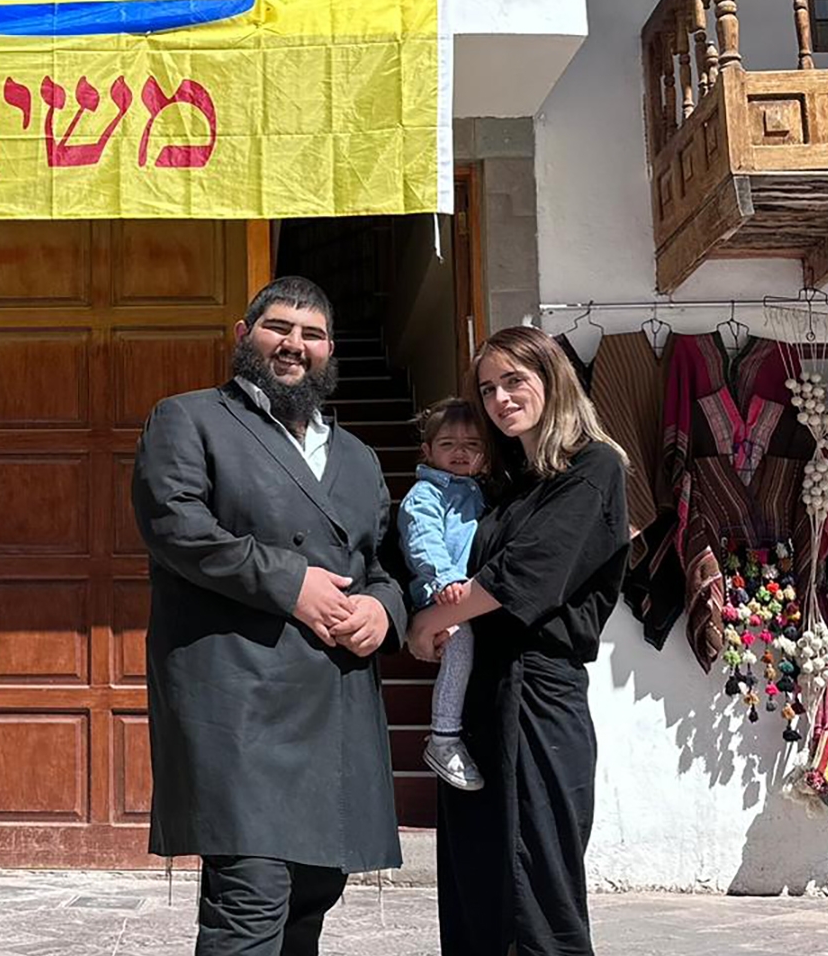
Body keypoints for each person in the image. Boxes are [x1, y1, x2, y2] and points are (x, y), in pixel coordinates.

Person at [132, 275, 404, 956]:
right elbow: (177, 526)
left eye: (311, 334)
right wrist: (292, 585)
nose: (294, 345)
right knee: (251, 895)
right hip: (240, 704)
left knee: (315, 891)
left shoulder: (360, 458)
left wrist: (382, 608)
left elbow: (386, 564)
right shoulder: (188, 418)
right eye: (278, 327)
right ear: (242, 335)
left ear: (329, 350)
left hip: (332, 703)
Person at [406, 326, 629, 956]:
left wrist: (428, 623)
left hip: (537, 692)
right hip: (481, 693)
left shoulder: (593, 466)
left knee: (534, 879)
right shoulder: (505, 483)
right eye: (488, 388)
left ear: (551, 378)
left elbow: (527, 572)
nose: (501, 398)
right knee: (476, 881)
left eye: (514, 381)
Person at [399, 397, 488, 791]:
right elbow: (424, 541)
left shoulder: (479, 491)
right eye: (449, 444)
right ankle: (443, 737)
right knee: (460, 643)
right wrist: (444, 579)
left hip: (472, 594)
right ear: (428, 451)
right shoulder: (425, 495)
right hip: (441, 593)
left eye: (471, 445)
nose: (460, 452)